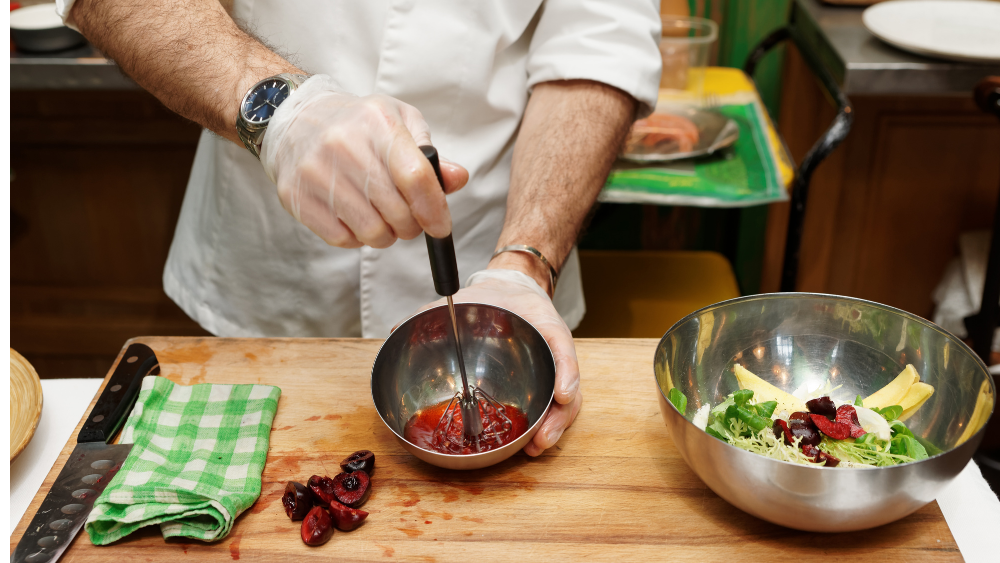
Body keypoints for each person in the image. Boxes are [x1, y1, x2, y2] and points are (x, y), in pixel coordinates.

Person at [58, 0, 661, 456]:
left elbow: (599, 41)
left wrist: (526, 261)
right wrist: (282, 111)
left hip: (502, 239)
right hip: (264, 265)